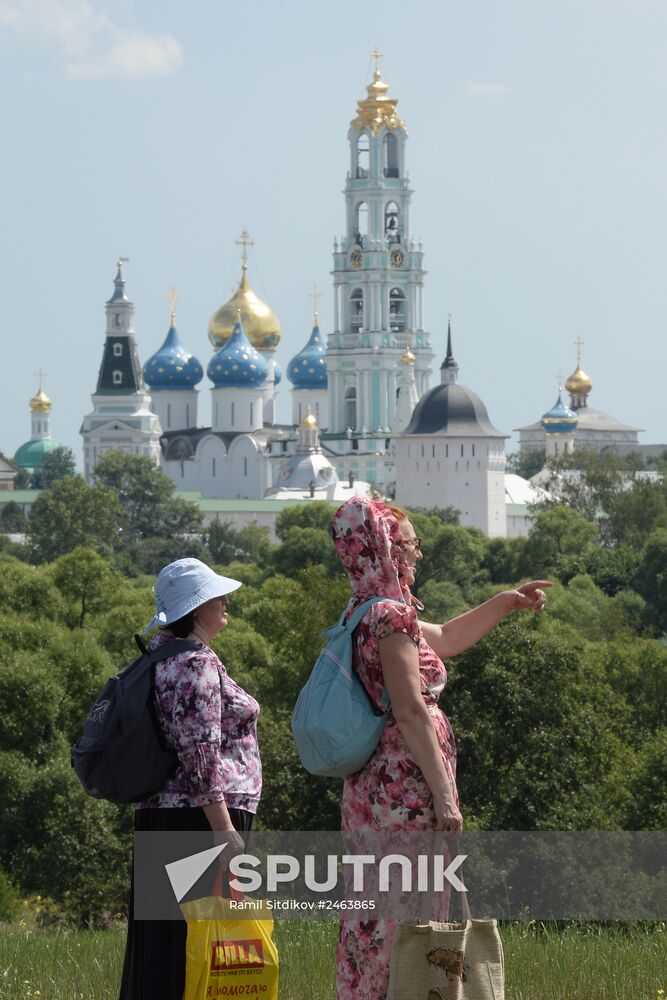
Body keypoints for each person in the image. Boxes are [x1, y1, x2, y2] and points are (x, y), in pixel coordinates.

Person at [331, 497, 551, 1000]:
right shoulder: (388, 617)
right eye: (409, 543)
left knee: (379, 909)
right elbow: (409, 712)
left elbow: (447, 637)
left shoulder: (367, 609)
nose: (418, 555)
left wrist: (506, 601)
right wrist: (445, 796)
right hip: (403, 792)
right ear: (383, 548)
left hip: (376, 791)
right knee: (405, 914)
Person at [119, 557, 262, 1000]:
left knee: (164, 949)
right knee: (198, 951)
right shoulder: (195, 663)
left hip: (168, 819)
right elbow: (199, 751)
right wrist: (225, 833)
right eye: (217, 596)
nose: (225, 603)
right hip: (199, 823)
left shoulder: (162, 657)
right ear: (197, 609)